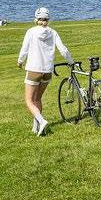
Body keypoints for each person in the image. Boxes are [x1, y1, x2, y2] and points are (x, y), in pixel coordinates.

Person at [17, 7, 74, 136]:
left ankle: (42, 121)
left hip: (34, 69)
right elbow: (63, 50)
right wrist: (71, 61)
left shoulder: (31, 31)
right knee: (38, 99)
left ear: (36, 19)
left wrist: (20, 61)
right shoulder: (53, 32)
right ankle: (36, 127)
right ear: (48, 20)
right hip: (47, 71)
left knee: (29, 100)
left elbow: (24, 49)